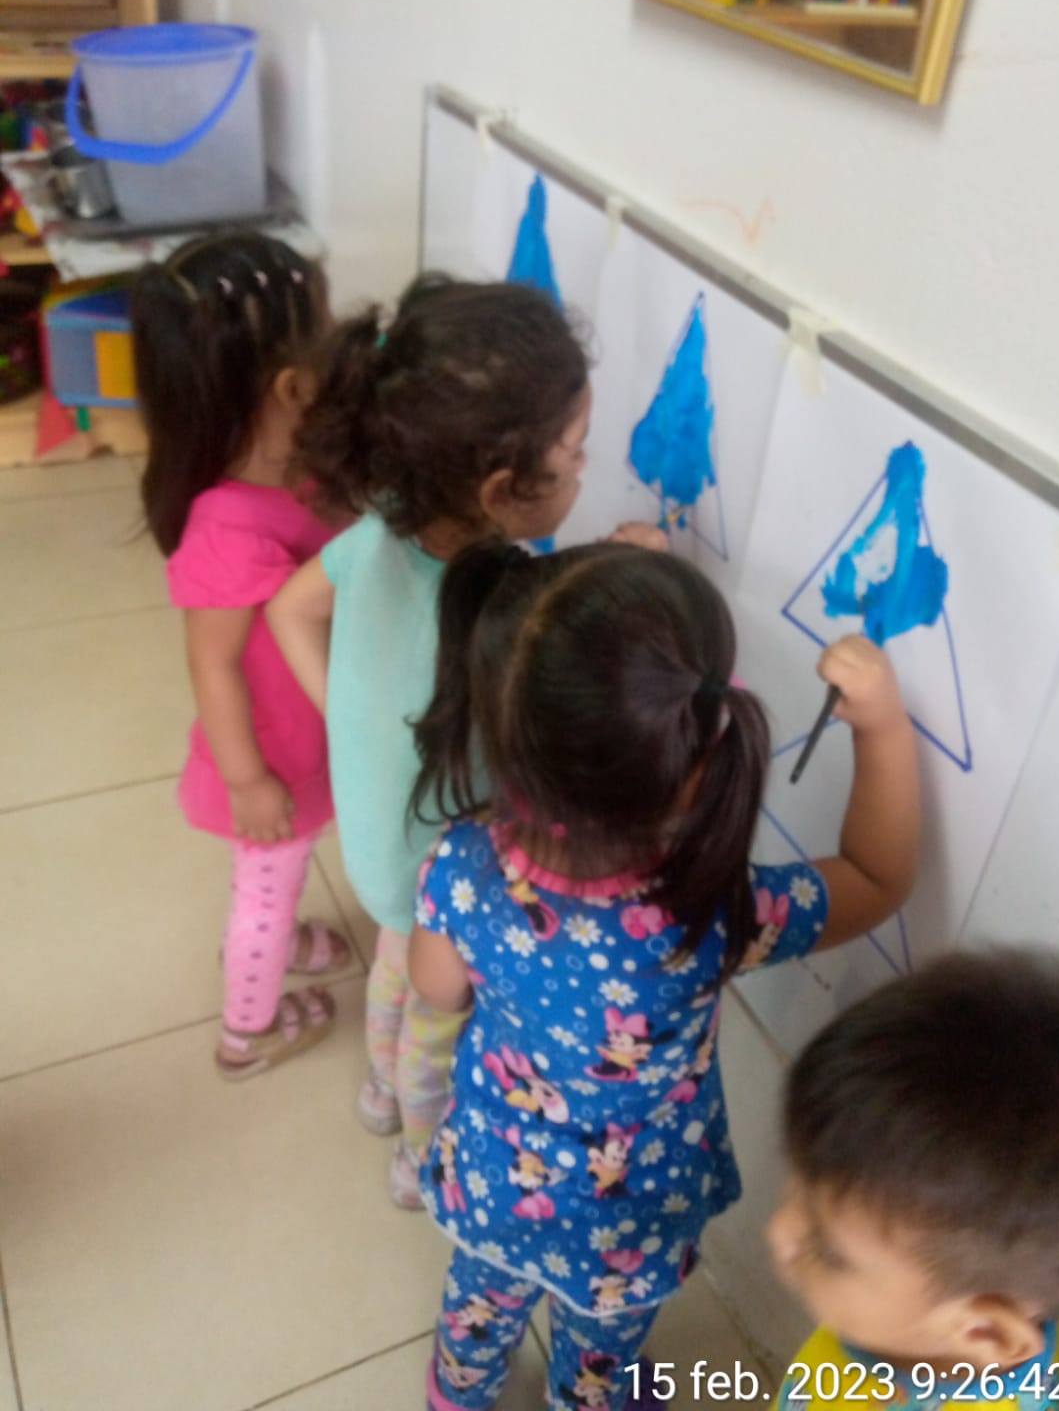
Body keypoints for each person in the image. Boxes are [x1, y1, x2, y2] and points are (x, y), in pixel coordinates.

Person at [407, 540, 921, 1411]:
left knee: (477, 1308)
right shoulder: (711, 913)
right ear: (695, 767)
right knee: (602, 1355)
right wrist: (881, 725)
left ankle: (456, 1396)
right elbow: (877, 876)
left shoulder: (462, 865)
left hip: (494, 1180)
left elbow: (436, 990)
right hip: (628, 1218)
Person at [267, 276, 661, 1204]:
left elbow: (288, 611)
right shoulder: (499, 613)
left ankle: (376, 1091)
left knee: (393, 967)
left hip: (378, 847)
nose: (586, 468)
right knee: (436, 1020)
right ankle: (419, 1156)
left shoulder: (378, 529)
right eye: (575, 452)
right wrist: (628, 581)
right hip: (438, 871)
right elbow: (560, 719)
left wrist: (353, 719)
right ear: (500, 489)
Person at [767, 950, 1059, 1411]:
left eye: (827, 1250)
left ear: (986, 1332)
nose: (779, 1231)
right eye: (796, 1185)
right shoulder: (1001, 1276)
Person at [131, 232, 350, 1080]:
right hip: (273, 761)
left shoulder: (286, 469)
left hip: (300, 734)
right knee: (265, 889)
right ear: (293, 386)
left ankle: (279, 939)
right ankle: (246, 1034)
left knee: (272, 886)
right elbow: (212, 665)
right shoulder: (229, 524)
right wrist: (249, 780)